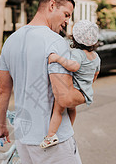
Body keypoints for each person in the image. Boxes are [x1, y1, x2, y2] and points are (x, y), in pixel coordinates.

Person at [0, 0, 86, 164]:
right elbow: (65, 97)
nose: (67, 21)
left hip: (23, 136)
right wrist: (86, 95)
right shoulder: (56, 42)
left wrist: (1, 126)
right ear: (52, 6)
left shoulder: (11, 41)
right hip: (51, 137)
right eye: (66, 14)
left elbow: (3, 90)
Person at [40, 20, 101, 149]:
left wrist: (57, 58)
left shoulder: (78, 54)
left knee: (58, 107)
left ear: (75, 39)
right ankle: (69, 129)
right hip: (85, 94)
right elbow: (95, 75)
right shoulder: (96, 57)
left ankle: (50, 135)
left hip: (75, 91)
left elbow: (73, 66)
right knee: (72, 108)